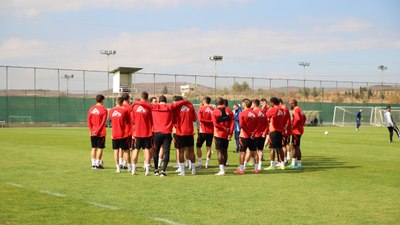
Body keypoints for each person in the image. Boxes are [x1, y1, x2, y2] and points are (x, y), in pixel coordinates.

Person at [173, 96, 197, 176]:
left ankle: (183, 171)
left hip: (180, 133)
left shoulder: (176, 108)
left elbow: (173, 120)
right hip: (190, 132)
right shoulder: (190, 106)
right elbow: (194, 119)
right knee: (191, 151)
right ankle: (193, 169)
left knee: (181, 152)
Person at [131, 92, 153, 176]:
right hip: (147, 133)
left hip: (137, 133)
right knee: (147, 150)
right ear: (147, 98)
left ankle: (133, 169)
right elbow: (151, 121)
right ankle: (147, 170)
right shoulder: (148, 108)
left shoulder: (135, 107)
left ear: (140, 97)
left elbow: (132, 120)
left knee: (136, 150)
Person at [234, 98, 258, 175]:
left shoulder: (243, 113)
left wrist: (248, 133)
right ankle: (256, 169)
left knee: (242, 153)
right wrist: (253, 133)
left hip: (244, 136)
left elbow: (241, 125)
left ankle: (241, 170)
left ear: (244, 104)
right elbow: (257, 124)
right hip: (252, 136)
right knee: (254, 152)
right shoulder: (254, 113)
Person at [212, 97, 234, 176]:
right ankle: (224, 168)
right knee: (225, 151)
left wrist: (224, 128)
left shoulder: (215, 112)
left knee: (219, 152)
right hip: (227, 134)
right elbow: (232, 123)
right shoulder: (229, 110)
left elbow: (215, 125)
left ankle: (222, 170)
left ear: (216, 103)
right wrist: (230, 134)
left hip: (219, 134)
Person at [109, 97, 131, 173]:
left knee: (116, 151)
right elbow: (128, 122)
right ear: (122, 103)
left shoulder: (111, 111)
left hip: (114, 134)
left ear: (116, 102)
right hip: (123, 134)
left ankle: (117, 167)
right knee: (126, 151)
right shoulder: (124, 111)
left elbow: (111, 121)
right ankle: (129, 167)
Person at [264, 97, 285, 170]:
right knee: (279, 148)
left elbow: (265, 116)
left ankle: (272, 165)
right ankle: (282, 164)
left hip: (273, 131)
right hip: (280, 131)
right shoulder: (281, 109)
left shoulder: (273, 109)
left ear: (272, 103)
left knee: (272, 148)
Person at [87, 94, 108, 169]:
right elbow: (103, 122)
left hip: (92, 133)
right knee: (100, 148)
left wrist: (92, 130)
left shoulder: (91, 109)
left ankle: (93, 163)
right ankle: (97, 163)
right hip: (101, 133)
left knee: (93, 147)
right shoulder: (104, 110)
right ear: (102, 100)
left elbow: (89, 121)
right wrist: (97, 131)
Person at [196, 96, 214, 168]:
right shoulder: (213, 109)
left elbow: (200, 119)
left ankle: (200, 163)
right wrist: (211, 122)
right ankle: (207, 164)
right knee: (209, 148)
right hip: (211, 132)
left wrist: (207, 122)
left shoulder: (201, 109)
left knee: (198, 147)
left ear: (204, 101)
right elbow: (214, 121)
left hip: (202, 131)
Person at [288, 99, 306, 169]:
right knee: (294, 146)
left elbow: (297, 119)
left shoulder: (296, 110)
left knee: (296, 146)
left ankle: (298, 164)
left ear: (293, 104)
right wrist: (301, 125)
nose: (289, 106)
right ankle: (294, 163)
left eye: (290, 105)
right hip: (299, 129)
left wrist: (293, 126)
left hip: (296, 130)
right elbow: (304, 118)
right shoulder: (300, 109)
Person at [252, 99, 268, 170]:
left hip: (255, 134)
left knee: (253, 150)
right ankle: (259, 166)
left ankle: (255, 164)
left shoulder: (253, 112)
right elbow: (267, 124)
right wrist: (265, 132)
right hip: (262, 134)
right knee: (260, 150)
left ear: (254, 104)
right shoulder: (263, 112)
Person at [121, 93, 133, 170]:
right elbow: (132, 120)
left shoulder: (119, 107)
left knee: (119, 148)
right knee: (127, 149)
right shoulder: (130, 108)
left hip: (119, 130)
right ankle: (127, 165)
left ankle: (121, 163)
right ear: (128, 99)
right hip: (128, 131)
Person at [279, 98, 292, 164]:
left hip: (285, 129)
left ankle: (284, 160)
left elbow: (284, 120)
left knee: (283, 145)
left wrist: (285, 128)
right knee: (285, 144)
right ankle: (285, 159)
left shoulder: (283, 109)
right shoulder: (285, 108)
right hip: (286, 129)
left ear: (280, 103)